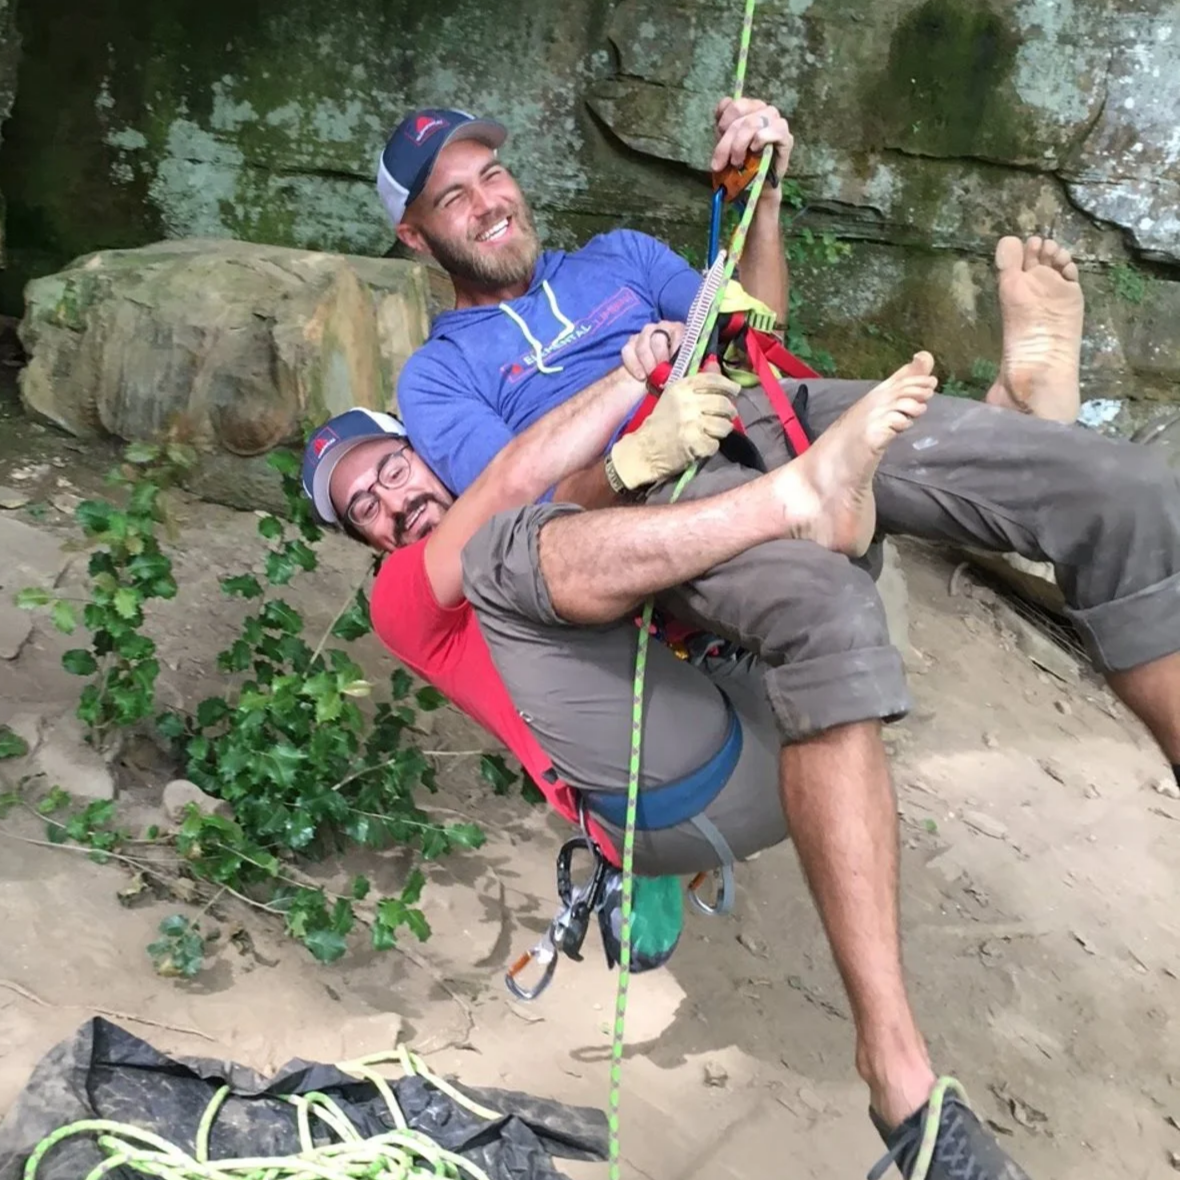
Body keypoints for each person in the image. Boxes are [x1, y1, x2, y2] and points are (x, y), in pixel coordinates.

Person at [375, 97, 1180, 1179]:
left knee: (1126, 489)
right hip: (658, 497)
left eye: (490, 176)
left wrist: (758, 191)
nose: (487, 201)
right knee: (819, 604)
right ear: (416, 237)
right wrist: (631, 428)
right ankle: (898, 1077)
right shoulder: (439, 374)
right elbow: (520, 520)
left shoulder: (615, 257)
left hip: (777, 411)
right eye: (451, 196)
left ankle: (1011, 416)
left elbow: (751, 319)